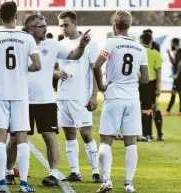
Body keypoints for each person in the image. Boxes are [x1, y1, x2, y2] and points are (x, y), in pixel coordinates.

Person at [4, 14, 90, 187]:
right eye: (40, 26)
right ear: (30, 29)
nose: (45, 28)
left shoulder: (51, 45)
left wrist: (81, 45)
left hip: (46, 101)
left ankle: (53, 174)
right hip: (22, 100)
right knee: (14, 139)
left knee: (49, 136)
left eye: (45, 25)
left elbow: (74, 56)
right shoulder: (19, 44)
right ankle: (8, 172)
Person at [0, 2, 41, 192]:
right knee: (21, 137)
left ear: (0, 17)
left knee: (0, 136)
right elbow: (37, 65)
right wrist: (23, 69)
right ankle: (23, 183)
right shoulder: (27, 38)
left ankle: (1, 183)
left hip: (0, 93)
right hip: (20, 93)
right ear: (16, 16)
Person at [92, 11, 150, 193]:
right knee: (131, 142)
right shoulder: (140, 48)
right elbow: (145, 79)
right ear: (129, 25)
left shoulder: (110, 43)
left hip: (114, 95)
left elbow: (96, 65)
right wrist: (135, 75)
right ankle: (128, 184)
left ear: (115, 25)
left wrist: (101, 85)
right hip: (132, 98)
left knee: (106, 140)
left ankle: (107, 180)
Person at [56, 11, 102, 183]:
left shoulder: (90, 44)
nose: (64, 28)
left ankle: (96, 172)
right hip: (63, 96)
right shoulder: (60, 44)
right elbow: (51, 68)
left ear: (75, 23)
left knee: (85, 133)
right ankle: (75, 172)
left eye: (66, 24)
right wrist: (56, 73)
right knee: (69, 133)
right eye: (61, 25)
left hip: (81, 97)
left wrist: (94, 96)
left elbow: (95, 70)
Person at [139, 32, 163, 142]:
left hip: (139, 83)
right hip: (151, 84)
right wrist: (158, 87)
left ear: (141, 40)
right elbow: (158, 72)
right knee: (152, 108)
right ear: (150, 41)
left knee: (143, 109)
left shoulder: (138, 52)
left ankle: (146, 134)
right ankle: (155, 134)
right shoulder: (156, 54)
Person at [164, 38, 181, 116]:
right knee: (179, 92)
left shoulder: (179, 52)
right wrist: (169, 54)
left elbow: (180, 63)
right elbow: (174, 63)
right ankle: (180, 111)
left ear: (174, 43)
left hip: (179, 77)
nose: (170, 45)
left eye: (171, 43)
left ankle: (168, 111)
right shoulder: (178, 52)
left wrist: (176, 74)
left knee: (175, 92)